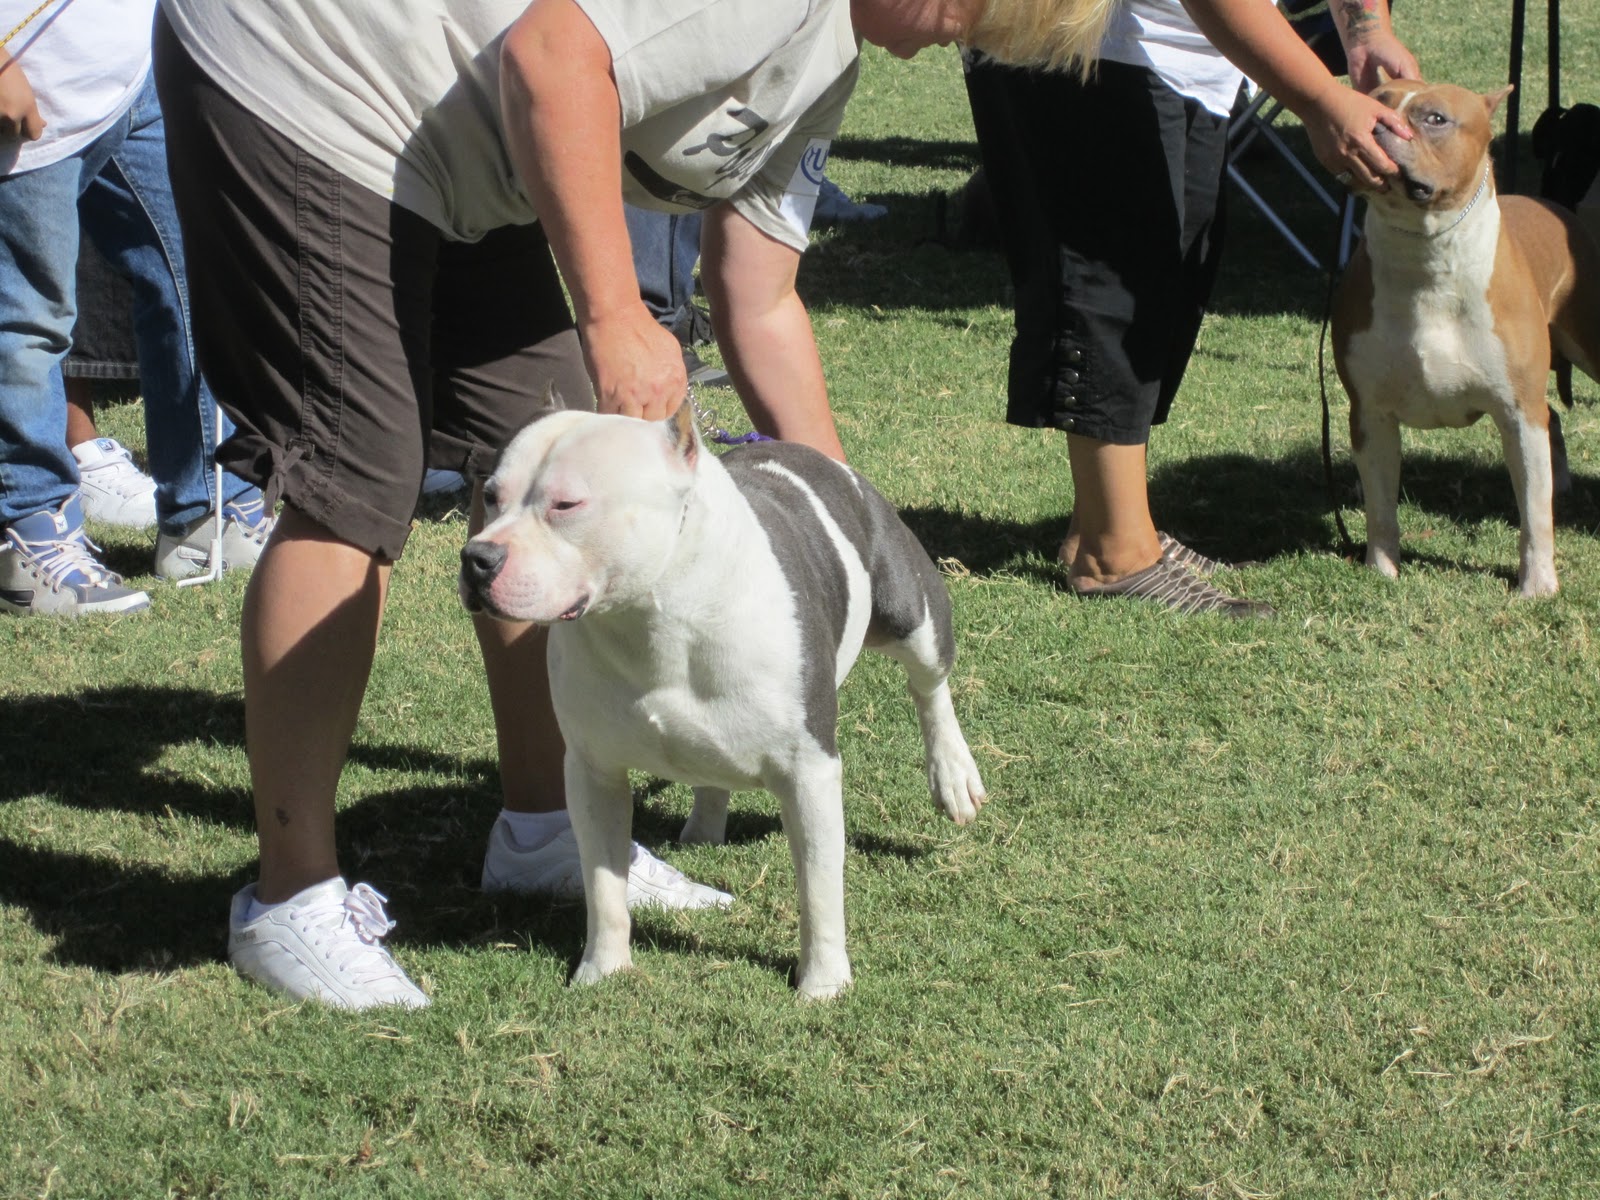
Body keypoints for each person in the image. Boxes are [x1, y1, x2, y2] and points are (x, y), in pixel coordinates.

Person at [151, 0, 1119, 1010]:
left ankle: (544, 832)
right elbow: (553, 54)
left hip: (472, 155)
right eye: (968, 16)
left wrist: (852, 523)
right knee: (358, 469)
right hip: (316, 81)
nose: (948, 43)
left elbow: (758, 295)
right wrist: (613, 313)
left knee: (541, 429)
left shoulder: (827, 62)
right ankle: (291, 897)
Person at [964, 0, 1419, 614]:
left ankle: (1108, 520)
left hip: (1190, 47)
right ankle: (1113, 552)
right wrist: (1318, 100)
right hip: (1075, 32)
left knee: (1172, 266)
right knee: (1113, 277)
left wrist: (1365, 31)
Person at [0, 1, 274, 619]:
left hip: (133, 76)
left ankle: (206, 515)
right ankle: (30, 536)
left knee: (197, 281)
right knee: (29, 322)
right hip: (29, 98)